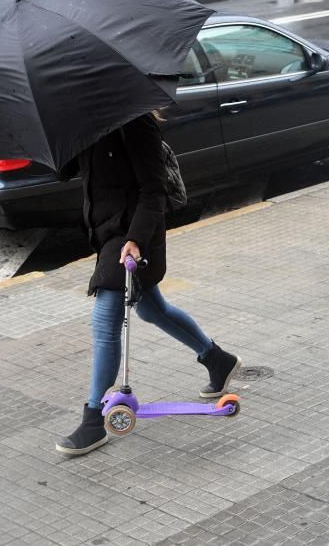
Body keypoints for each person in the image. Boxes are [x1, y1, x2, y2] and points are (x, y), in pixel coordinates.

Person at [56, 113, 241, 456]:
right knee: (153, 310)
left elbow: (154, 188)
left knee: (104, 322)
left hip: (134, 238)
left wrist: (136, 239)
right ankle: (218, 360)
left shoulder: (135, 122)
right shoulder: (84, 121)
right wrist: (64, 133)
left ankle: (94, 420)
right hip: (107, 235)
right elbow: (67, 171)